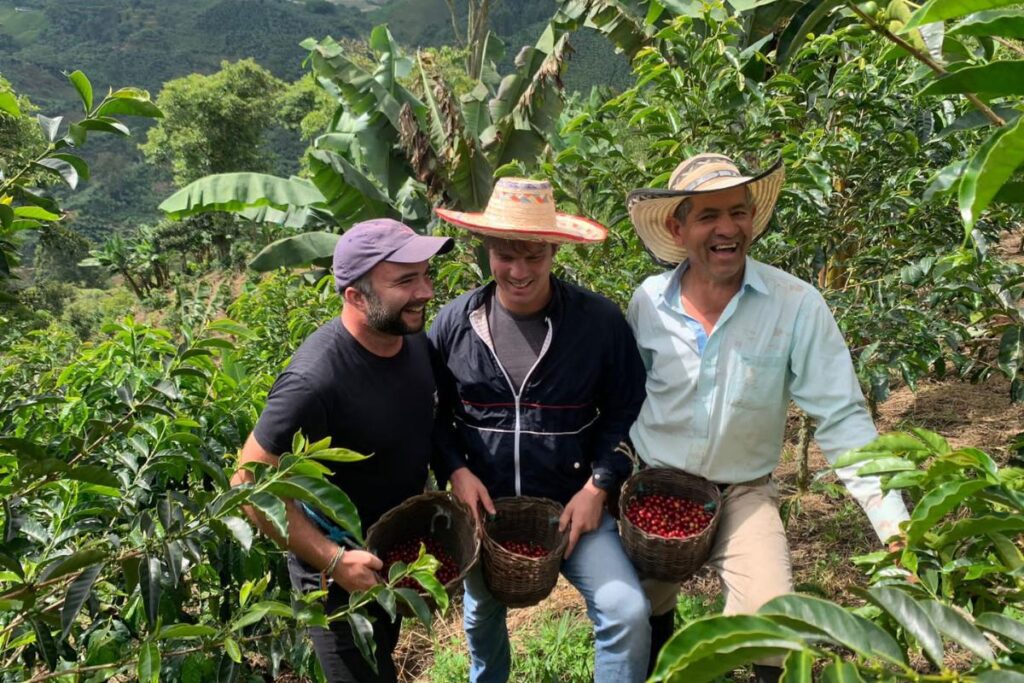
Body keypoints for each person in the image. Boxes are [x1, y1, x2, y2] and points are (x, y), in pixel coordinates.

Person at [624, 153, 911, 680]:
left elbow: (843, 417)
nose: (727, 228)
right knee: (635, 609)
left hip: (743, 493)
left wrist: (894, 524)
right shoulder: (648, 303)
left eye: (738, 211)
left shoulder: (796, 305)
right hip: (656, 486)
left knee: (773, 623)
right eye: (708, 216)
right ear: (677, 226)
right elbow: (627, 394)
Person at [429, 177, 651, 683]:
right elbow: (435, 415)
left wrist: (599, 484)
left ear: (554, 249)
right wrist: (457, 471)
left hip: (573, 508)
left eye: (534, 254)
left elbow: (627, 408)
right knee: (482, 617)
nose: (519, 270)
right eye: (506, 254)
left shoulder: (596, 323)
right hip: (488, 515)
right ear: (486, 250)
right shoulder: (455, 325)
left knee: (626, 611)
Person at [231, 218, 453, 683]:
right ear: (355, 296)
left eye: (426, 275)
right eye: (406, 280)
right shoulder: (315, 382)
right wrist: (334, 560)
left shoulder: (411, 342)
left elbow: (423, 425)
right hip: (337, 575)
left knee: (384, 661)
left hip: (391, 554)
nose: (426, 292)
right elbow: (248, 484)